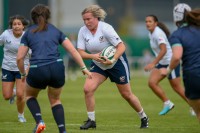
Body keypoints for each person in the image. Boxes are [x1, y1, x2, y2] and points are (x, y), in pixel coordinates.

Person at [16, 4, 92, 133]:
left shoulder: (28, 32)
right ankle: (62, 130)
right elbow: (73, 51)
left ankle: (39, 121)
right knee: (55, 100)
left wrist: (23, 74)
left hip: (38, 68)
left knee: (29, 95)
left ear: (32, 18)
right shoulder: (55, 30)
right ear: (48, 17)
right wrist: (83, 67)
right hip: (57, 67)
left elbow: (19, 58)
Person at [77, 4, 149, 130]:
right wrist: (94, 57)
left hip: (117, 63)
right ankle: (91, 121)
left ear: (96, 18)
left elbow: (122, 47)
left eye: (89, 19)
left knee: (126, 95)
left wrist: (113, 59)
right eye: (84, 20)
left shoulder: (106, 28)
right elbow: (80, 52)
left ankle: (143, 116)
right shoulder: (82, 31)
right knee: (88, 89)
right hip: (98, 64)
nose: (86, 22)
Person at [145, 14, 192, 115]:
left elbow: (164, 50)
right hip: (162, 62)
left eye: (150, 21)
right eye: (146, 21)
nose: (147, 23)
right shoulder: (151, 33)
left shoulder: (158, 33)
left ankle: (194, 106)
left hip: (171, 61)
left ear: (155, 23)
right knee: (152, 83)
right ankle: (167, 103)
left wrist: (153, 63)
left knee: (177, 87)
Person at [160, 3, 200, 121]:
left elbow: (177, 57)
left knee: (198, 111)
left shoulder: (177, 35)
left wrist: (168, 70)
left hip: (193, 76)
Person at [0, 15, 30, 123]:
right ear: (11, 26)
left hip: (22, 68)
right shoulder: (6, 34)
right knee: (6, 96)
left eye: (19, 24)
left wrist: (27, 70)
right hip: (7, 67)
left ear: (23, 26)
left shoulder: (28, 37)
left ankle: (21, 115)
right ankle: (12, 92)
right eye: (14, 24)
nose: (16, 26)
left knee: (21, 95)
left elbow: (33, 57)